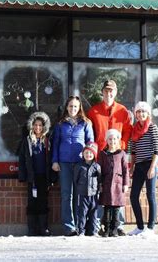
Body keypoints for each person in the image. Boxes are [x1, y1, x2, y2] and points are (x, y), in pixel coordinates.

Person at [87, 79, 132, 236]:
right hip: (100, 156)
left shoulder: (123, 111)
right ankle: (100, 224)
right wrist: (91, 151)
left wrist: (122, 146)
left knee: (118, 189)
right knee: (101, 189)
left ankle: (118, 225)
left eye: (111, 90)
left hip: (117, 156)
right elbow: (89, 133)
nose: (109, 93)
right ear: (102, 92)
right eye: (106, 90)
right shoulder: (93, 111)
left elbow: (127, 131)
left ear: (116, 92)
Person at [52, 96, 94, 236]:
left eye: (75, 106)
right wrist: (55, 161)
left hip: (80, 163)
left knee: (79, 195)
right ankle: (69, 227)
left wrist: (89, 160)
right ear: (66, 107)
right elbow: (55, 144)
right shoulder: (60, 124)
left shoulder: (86, 123)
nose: (73, 109)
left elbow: (91, 142)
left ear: (79, 107)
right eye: (70, 106)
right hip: (64, 163)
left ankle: (79, 225)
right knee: (66, 195)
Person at [17, 111, 54, 236]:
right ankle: (32, 229)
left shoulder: (48, 141)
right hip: (32, 177)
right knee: (32, 202)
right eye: (35, 125)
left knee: (43, 202)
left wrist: (52, 178)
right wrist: (23, 176)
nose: (38, 128)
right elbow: (22, 159)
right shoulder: (27, 141)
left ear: (44, 127)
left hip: (44, 176)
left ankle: (43, 228)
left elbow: (52, 159)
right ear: (32, 126)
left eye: (40, 125)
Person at [128, 101, 158, 236]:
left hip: (150, 164)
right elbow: (133, 151)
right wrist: (131, 167)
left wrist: (152, 168)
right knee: (133, 196)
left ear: (148, 113)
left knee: (150, 195)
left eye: (144, 111)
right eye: (139, 111)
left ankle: (151, 227)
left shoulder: (152, 127)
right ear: (136, 114)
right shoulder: (134, 130)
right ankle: (140, 227)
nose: (141, 114)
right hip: (139, 166)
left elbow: (157, 150)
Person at [98, 129, 129, 237]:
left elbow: (125, 170)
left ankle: (114, 229)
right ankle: (106, 228)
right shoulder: (102, 154)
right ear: (107, 140)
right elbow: (99, 170)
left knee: (116, 208)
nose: (112, 141)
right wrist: (100, 184)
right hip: (106, 184)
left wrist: (125, 184)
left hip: (118, 185)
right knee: (107, 208)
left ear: (118, 140)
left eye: (115, 139)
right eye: (110, 139)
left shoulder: (122, 153)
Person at [73, 142, 101, 236]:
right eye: (86, 153)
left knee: (93, 214)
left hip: (93, 194)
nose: (88, 155)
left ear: (94, 155)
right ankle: (81, 231)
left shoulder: (97, 167)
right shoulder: (79, 166)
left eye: (90, 153)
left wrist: (99, 188)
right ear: (83, 154)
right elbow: (75, 179)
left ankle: (93, 231)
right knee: (82, 213)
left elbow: (100, 179)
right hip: (82, 194)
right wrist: (79, 189)